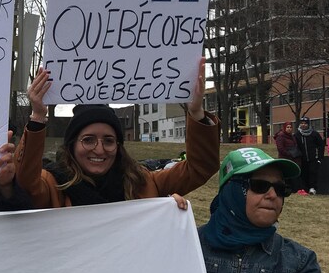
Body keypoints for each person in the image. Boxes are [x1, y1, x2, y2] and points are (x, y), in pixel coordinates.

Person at [13, 59, 219, 207]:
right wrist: (38, 116)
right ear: (72, 145)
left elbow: (200, 167)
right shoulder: (53, 186)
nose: (100, 149)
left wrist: (196, 113)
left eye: (109, 141)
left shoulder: (144, 182)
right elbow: (25, 182)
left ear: (118, 146)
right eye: (88, 140)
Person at [294, 117, 323, 195]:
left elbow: (321, 145)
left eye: (305, 123)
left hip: (313, 158)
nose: (303, 125)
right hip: (302, 158)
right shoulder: (297, 135)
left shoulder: (314, 134)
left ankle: (312, 188)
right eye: (302, 123)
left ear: (308, 124)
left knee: (312, 173)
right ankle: (304, 189)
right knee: (304, 173)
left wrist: (320, 157)